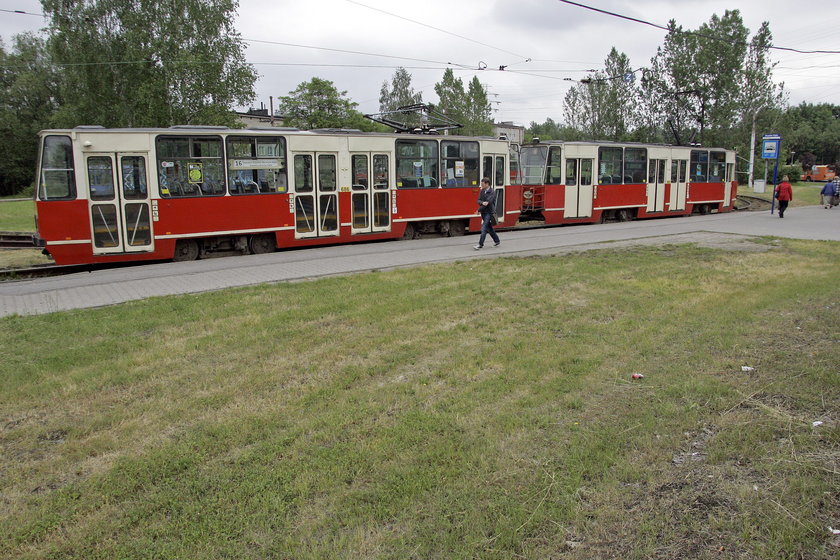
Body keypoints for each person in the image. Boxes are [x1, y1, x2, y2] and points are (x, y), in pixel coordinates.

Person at [474, 177, 500, 249]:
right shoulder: (482, 191)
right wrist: (482, 202)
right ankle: (497, 240)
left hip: (489, 212)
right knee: (489, 228)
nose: (481, 185)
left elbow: (487, 204)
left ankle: (480, 244)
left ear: (487, 184)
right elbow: (478, 200)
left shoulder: (492, 193)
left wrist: (478, 210)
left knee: (484, 228)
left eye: (482, 184)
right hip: (483, 213)